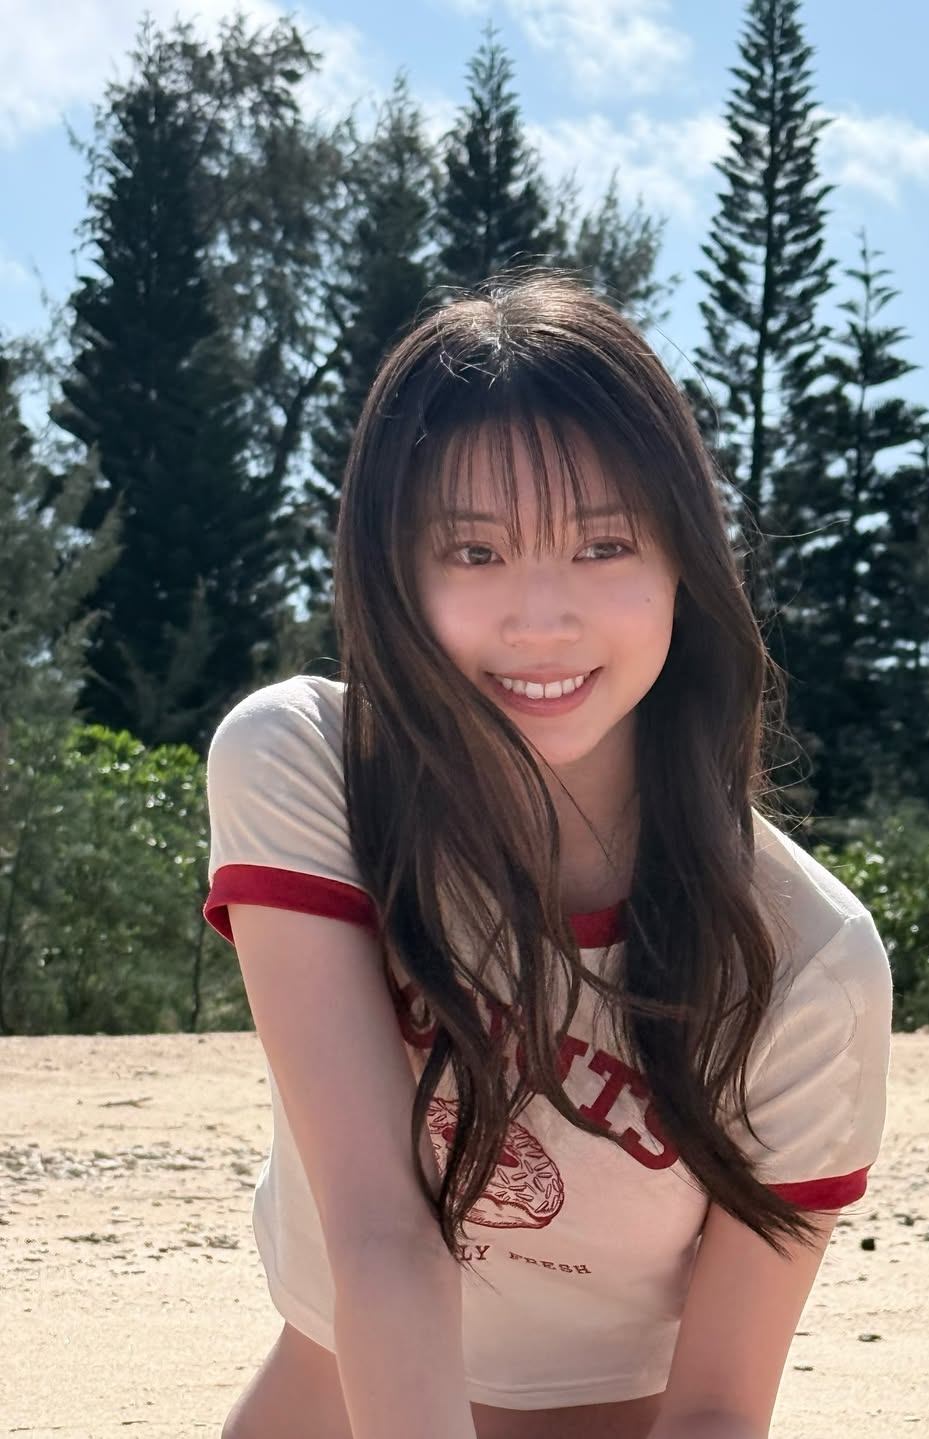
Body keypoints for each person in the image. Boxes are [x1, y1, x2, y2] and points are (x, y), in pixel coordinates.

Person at [202, 272, 893, 1439]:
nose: (540, 617)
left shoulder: (808, 963)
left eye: (603, 543)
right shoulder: (313, 767)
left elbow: (717, 1405)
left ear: (685, 563)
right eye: (473, 551)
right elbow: (382, 1232)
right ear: (394, 571)